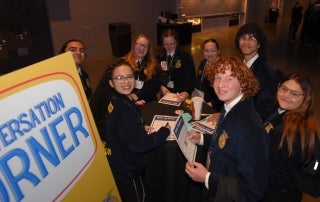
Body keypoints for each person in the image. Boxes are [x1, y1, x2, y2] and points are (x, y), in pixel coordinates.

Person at [185, 56, 269, 202]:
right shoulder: (229, 105)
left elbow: (252, 188)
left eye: (230, 78)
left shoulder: (250, 129)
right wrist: (203, 138)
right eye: (218, 77)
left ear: (243, 83)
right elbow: (229, 141)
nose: (221, 85)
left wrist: (207, 178)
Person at [101, 58, 171, 202]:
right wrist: (165, 131)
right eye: (119, 77)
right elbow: (143, 143)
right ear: (111, 82)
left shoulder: (117, 99)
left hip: (117, 160)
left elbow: (121, 129)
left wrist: (139, 127)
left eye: (129, 76)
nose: (126, 81)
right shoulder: (124, 109)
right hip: (127, 169)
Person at [261, 72, 320, 202]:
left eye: (294, 94)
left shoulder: (290, 130)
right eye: (284, 89)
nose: (286, 95)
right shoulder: (284, 114)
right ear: (278, 87)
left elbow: (279, 175)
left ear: (306, 98)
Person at [235, 22, 281, 122]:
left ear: (259, 44)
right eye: (243, 38)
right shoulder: (237, 66)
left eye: (251, 39)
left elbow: (264, 108)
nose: (246, 42)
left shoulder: (266, 72)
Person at [156, 28, 196, 102]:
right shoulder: (159, 56)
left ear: (176, 42)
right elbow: (156, 76)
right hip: (165, 94)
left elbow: (191, 77)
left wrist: (187, 92)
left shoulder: (185, 56)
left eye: (172, 44)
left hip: (181, 95)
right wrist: (160, 87)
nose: (169, 47)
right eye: (166, 44)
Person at [123, 34, 161, 106]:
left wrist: (137, 95)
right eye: (139, 45)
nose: (142, 48)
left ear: (148, 49)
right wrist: (131, 99)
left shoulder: (154, 64)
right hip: (129, 101)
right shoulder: (124, 64)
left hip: (149, 101)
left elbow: (155, 85)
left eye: (145, 46)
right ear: (134, 45)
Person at [195, 38, 223, 112]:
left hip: (216, 108)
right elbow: (198, 82)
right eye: (206, 51)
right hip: (201, 103)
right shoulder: (203, 63)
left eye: (213, 50)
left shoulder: (223, 68)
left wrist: (213, 104)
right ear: (203, 51)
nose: (209, 54)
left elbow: (226, 92)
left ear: (218, 51)